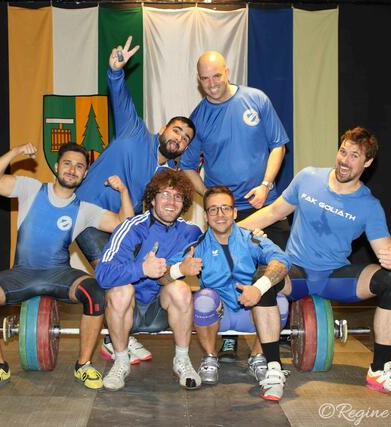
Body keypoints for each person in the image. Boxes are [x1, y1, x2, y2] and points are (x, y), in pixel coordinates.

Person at [239, 127, 391, 400]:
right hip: (296, 271)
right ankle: (273, 368)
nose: (345, 160)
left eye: (354, 156)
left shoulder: (369, 205)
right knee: (263, 278)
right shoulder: (308, 178)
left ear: (368, 162)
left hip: (335, 276)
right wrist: (228, 232)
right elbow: (273, 212)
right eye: (343, 151)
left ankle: (380, 370)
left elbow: (387, 253)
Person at [0, 142, 133, 393]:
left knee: (95, 294)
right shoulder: (30, 189)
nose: (72, 170)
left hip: (59, 274)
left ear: (85, 174)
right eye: (67, 163)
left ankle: (83, 364)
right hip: (22, 274)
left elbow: (125, 224)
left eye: (79, 166)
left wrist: (123, 191)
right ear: (56, 166)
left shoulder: (84, 210)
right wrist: (16, 152)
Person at [74, 37, 196, 364]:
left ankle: (120, 335)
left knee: (131, 274)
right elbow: (120, 94)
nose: (179, 138)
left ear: (185, 149)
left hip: (117, 226)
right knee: (112, 275)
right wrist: (115, 70)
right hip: (86, 215)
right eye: (176, 130)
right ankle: (114, 341)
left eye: (185, 138)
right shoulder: (135, 131)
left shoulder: (165, 179)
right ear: (163, 128)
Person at [180, 50, 290, 361]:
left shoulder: (256, 99)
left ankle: (266, 345)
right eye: (205, 79)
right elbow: (187, 167)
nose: (212, 83)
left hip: (264, 206)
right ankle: (228, 338)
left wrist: (265, 184)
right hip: (224, 216)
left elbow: (278, 146)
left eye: (217, 75)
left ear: (227, 71)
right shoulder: (199, 117)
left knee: (273, 274)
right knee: (224, 275)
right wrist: (211, 198)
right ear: (198, 81)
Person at [166, 186, 291, 401]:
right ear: (206, 216)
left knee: (280, 301)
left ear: (234, 212)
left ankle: (258, 357)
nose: (220, 214)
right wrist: (180, 269)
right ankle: (210, 357)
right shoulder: (198, 247)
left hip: (253, 313)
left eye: (225, 208)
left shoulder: (252, 238)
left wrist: (258, 288)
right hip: (217, 316)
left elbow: (281, 260)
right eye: (213, 209)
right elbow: (162, 274)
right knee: (203, 299)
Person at [95, 169, 203, 391]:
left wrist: (253, 235)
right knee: (120, 290)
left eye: (178, 196)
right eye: (165, 194)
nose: (171, 202)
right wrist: (142, 269)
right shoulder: (132, 227)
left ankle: (182, 360)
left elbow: (221, 239)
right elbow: (103, 274)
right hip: (128, 309)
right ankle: (121, 360)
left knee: (181, 289)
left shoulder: (191, 232)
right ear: (152, 199)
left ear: (184, 203)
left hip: (160, 310)